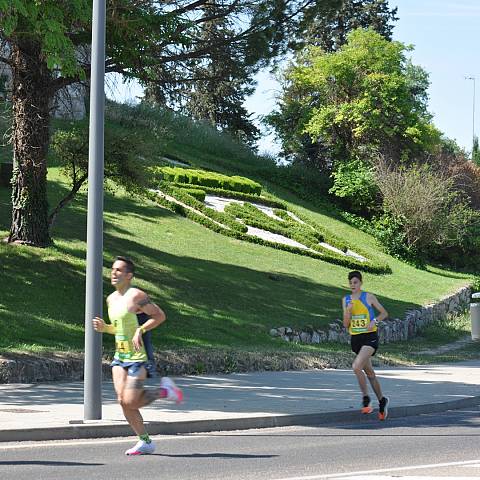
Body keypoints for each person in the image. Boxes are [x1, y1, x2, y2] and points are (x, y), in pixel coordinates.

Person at [93, 256, 183, 455]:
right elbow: (118, 328)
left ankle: (165, 391)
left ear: (129, 275)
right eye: (112, 269)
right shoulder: (111, 299)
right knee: (123, 400)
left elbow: (159, 316)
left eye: (118, 270)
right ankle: (145, 441)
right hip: (120, 356)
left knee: (131, 401)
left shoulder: (137, 296)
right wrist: (104, 328)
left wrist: (140, 330)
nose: (113, 273)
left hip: (138, 357)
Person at [342, 270, 389, 421]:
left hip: (370, 338)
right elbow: (345, 324)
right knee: (370, 374)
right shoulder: (346, 300)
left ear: (361, 283)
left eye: (355, 282)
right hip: (356, 340)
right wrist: (348, 312)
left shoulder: (368, 297)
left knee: (356, 367)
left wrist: (374, 321)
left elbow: (384, 313)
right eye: (350, 283)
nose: (352, 285)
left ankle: (366, 399)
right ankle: (382, 401)